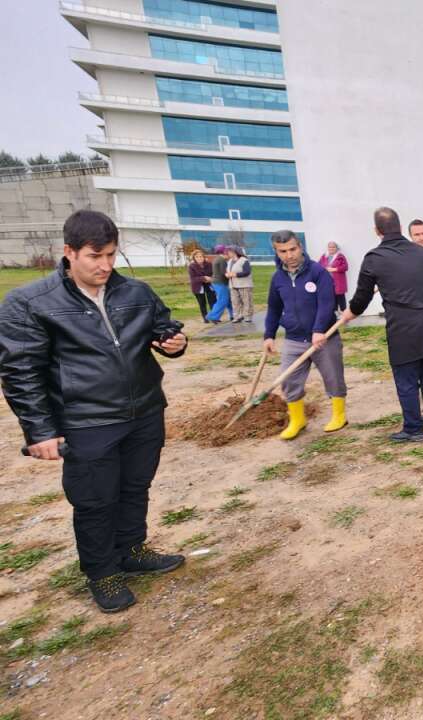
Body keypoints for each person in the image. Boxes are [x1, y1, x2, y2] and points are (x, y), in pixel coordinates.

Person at [0, 210, 188, 613]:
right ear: (68, 252)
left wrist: (174, 341)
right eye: (94, 255)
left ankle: (131, 550)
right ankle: (102, 572)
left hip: (144, 412)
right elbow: (20, 372)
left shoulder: (136, 293)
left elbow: (163, 327)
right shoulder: (30, 304)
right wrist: (39, 431)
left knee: (136, 486)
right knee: (95, 500)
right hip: (86, 422)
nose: (105, 265)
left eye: (112, 255)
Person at [340, 207, 423, 441]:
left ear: (377, 231)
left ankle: (414, 429)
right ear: (401, 229)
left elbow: (362, 296)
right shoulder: (420, 252)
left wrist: (351, 312)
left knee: (407, 378)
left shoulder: (374, 258)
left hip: (405, 325)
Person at [263, 230, 347, 440]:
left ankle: (339, 415)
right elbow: (273, 308)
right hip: (293, 338)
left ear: (300, 246)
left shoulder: (318, 272)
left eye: (292, 249)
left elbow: (327, 303)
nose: (289, 255)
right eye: (283, 251)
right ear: (276, 251)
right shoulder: (278, 278)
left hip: (324, 338)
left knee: (333, 377)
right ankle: (298, 419)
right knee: (289, 380)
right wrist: (269, 335)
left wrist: (319, 330)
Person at [318, 241, 349, 312]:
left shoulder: (340, 256)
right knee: (332, 297)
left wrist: (334, 269)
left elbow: (345, 267)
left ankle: (344, 313)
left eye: (333, 247)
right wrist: (324, 269)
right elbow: (318, 265)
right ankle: (334, 314)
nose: (331, 248)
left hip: (338, 281)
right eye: (330, 247)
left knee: (341, 297)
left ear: (336, 248)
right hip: (328, 281)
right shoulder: (324, 256)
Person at [187, 248, 216, 322]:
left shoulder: (209, 264)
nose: (199, 258)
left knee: (212, 302)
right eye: (197, 257)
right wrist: (203, 278)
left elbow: (214, 274)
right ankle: (205, 318)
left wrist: (211, 278)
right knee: (202, 303)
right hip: (198, 287)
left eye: (201, 256)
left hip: (209, 285)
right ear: (194, 258)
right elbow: (193, 279)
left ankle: (214, 317)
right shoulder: (191, 266)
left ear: (203, 257)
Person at [226, 245, 253, 323]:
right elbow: (229, 271)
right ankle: (237, 316)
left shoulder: (244, 260)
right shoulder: (230, 261)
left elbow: (247, 272)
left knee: (246, 301)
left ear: (235, 252)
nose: (228, 253)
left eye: (230, 251)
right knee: (235, 301)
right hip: (233, 285)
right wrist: (227, 274)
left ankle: (247, 316)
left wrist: (235, 274)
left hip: (244, 284)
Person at [205, 243, 231, 323]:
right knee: (223, 300)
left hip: (216, 282)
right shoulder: (222, 260)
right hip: (220, 282)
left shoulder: (217, 259)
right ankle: (212, 316)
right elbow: (224, 272)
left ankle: (233, 315)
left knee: (228, 300)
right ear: (224, 251)